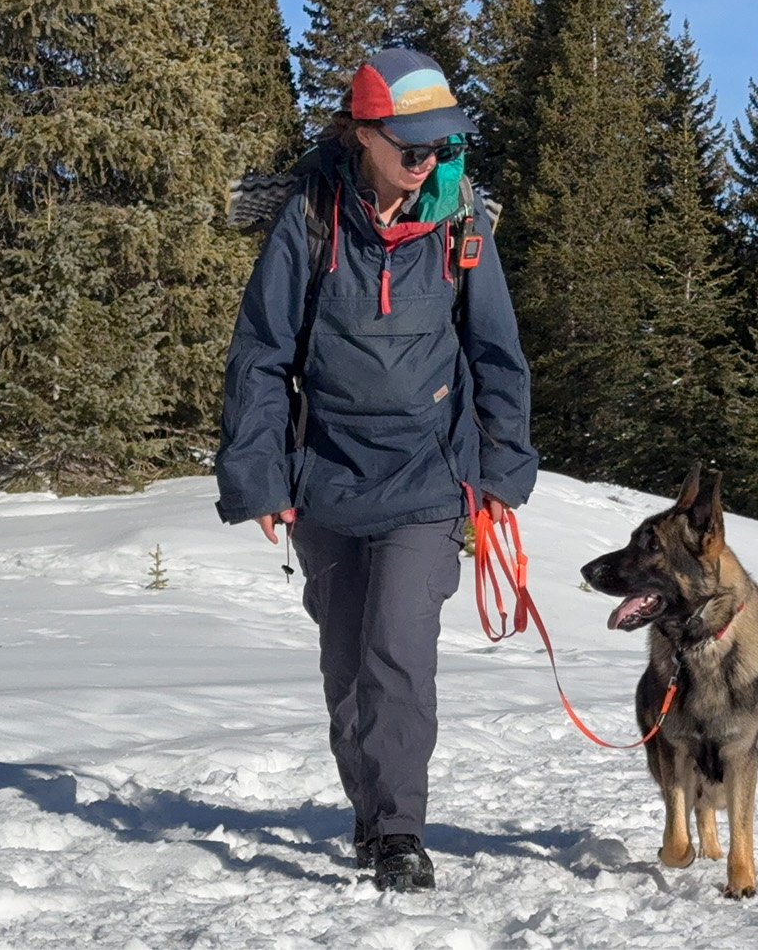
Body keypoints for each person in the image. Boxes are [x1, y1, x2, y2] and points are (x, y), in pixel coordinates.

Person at [214, 49, 538, 892]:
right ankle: (369, 813)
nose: (427, 160)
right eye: (411, 145)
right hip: (326, 477)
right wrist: (262, 475)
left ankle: (400, 831)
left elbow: (496, 352)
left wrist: (501, 471)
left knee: (399, 653)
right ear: (365, 134)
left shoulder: (459, 220)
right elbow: (260, 354)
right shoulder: (312, 220)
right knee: (347, 667)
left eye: (438, 146)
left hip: (427, 484)